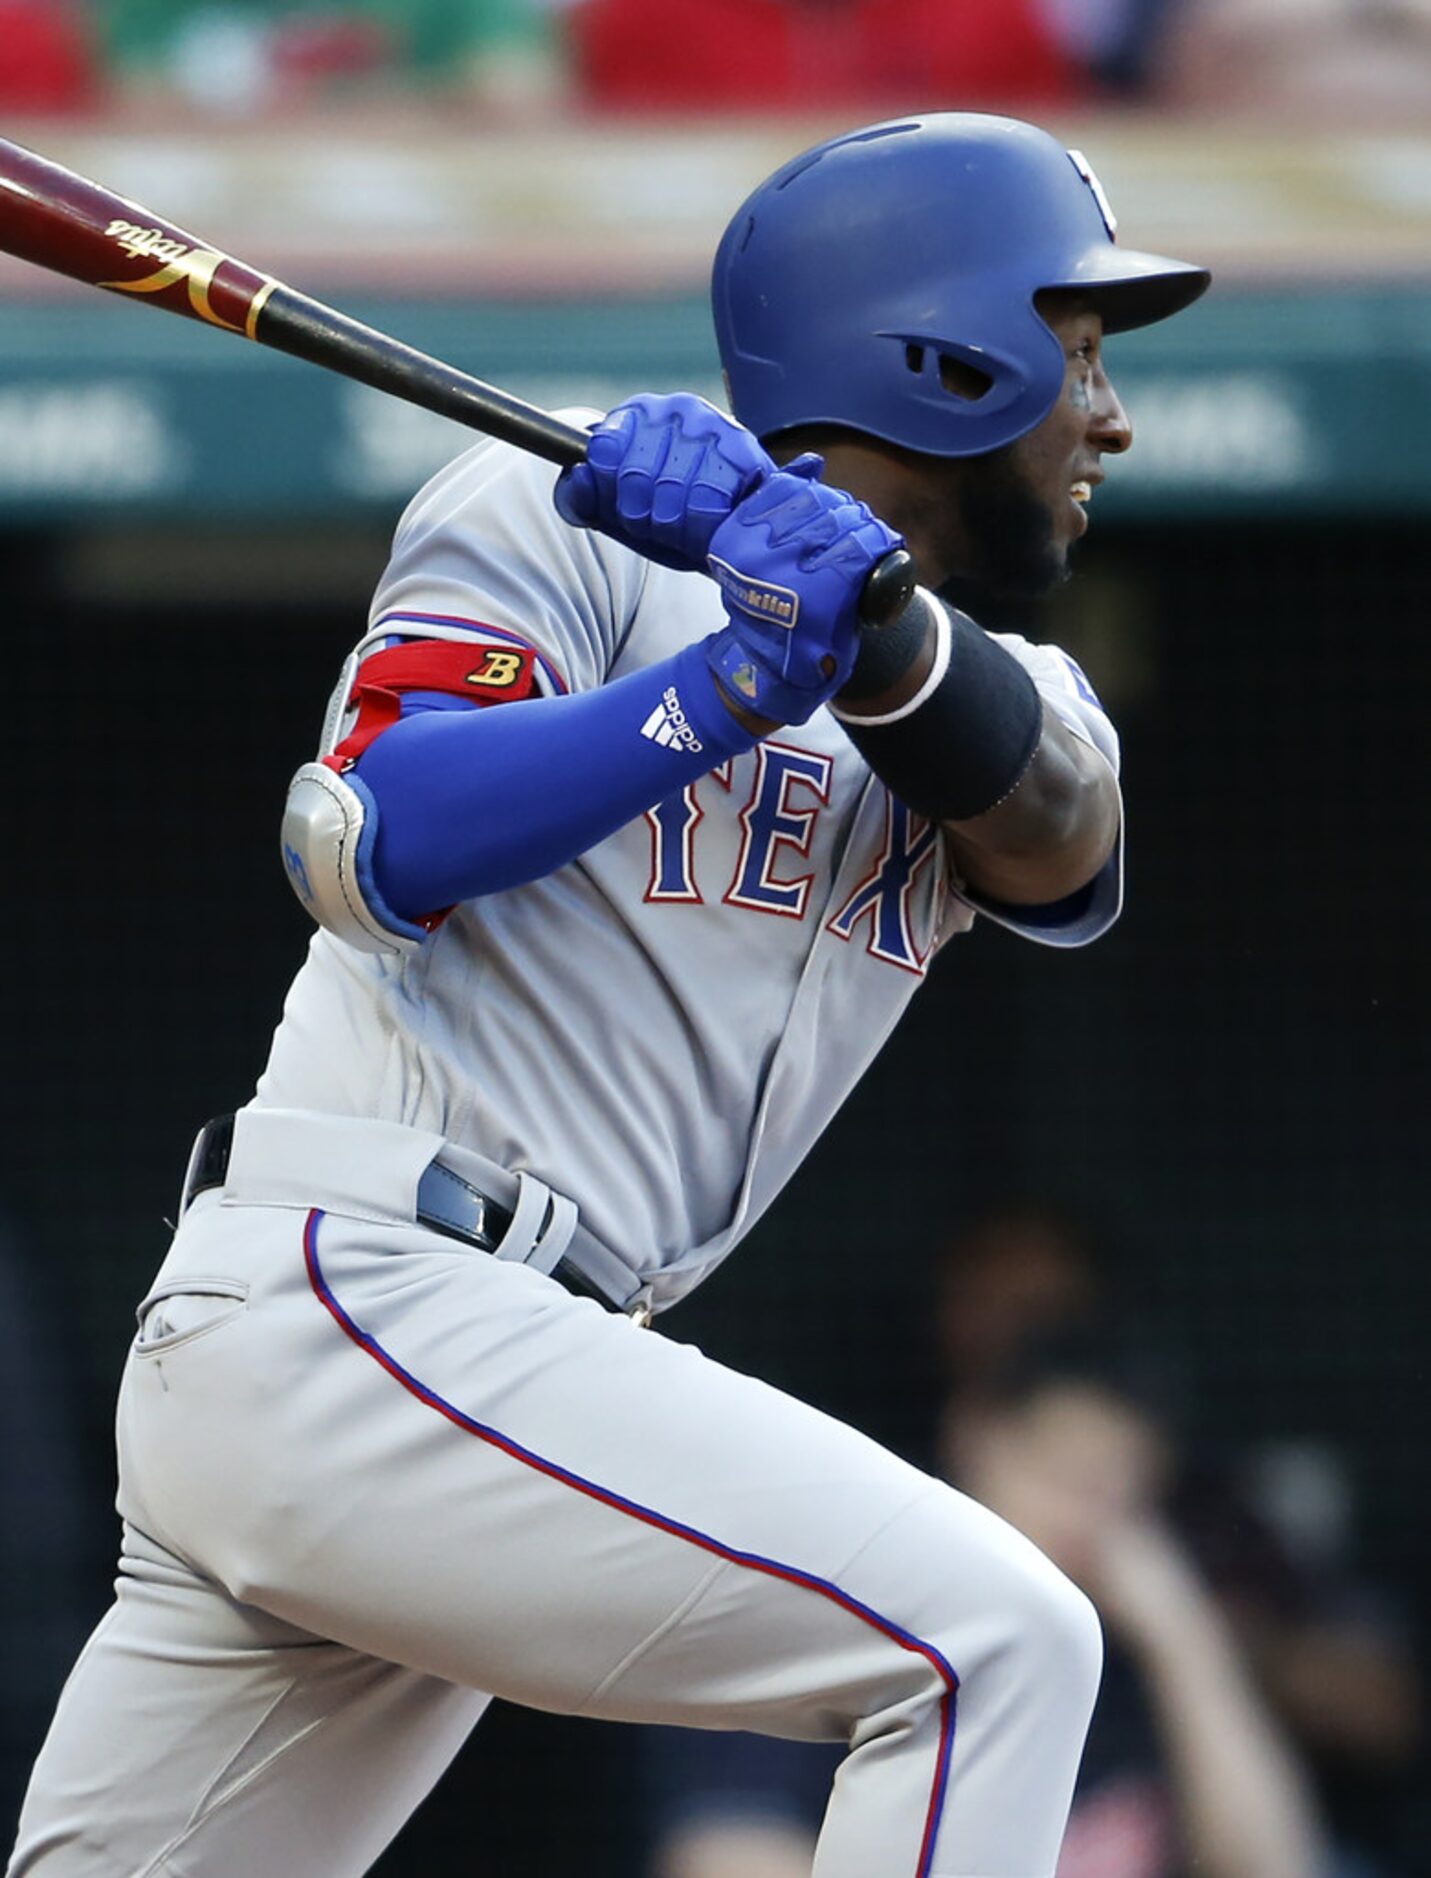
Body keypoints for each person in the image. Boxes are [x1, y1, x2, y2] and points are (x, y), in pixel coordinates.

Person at [8, 114, 1208, 1878]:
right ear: (950, 357)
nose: (1107, 418)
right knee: (993, 1645)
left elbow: (1055, 836)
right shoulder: (551, 510)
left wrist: (859, 633)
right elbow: (370, 838)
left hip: (490, 1368)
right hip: (369, 1300)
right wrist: (725, 675)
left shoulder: (1022, 691)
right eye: (1080, 355)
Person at [647, 1333, 1331, 1878]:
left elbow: (1273, 1865)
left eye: (1115, 1497)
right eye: (1062, 1477)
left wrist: (1183, 1641)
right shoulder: (832, 1617)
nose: (1083, 1523)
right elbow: (722, 1855)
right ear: (974, 1436)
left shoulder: (1130, 1662)